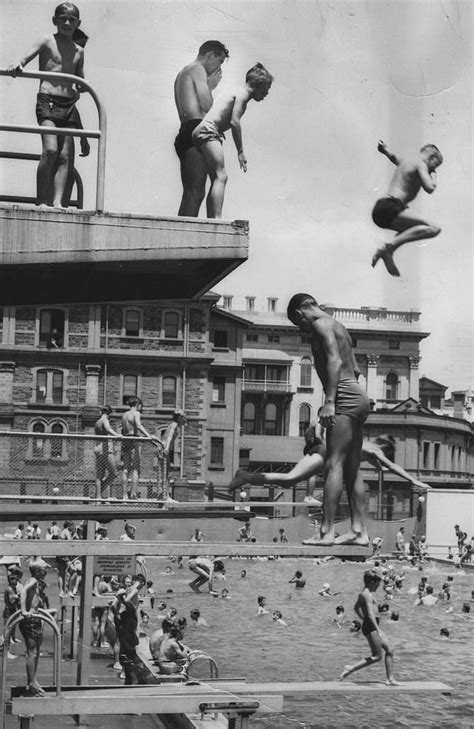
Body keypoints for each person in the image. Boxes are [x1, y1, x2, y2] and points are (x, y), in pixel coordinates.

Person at [287, 294, 370, 546]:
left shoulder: (319, 325)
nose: (302, 328)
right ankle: (358, 531)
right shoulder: (339, 325)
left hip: (343, 397)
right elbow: (354, 369)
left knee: (333, 464)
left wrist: (330, 401)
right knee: (352, 467)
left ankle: (326, 532)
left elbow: (334, 360)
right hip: (358, 395)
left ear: (301, 312)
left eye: (298, 323)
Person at [8, 3, 86, 208]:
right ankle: (41, 200)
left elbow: (80, 79)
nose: (67, 23)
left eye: (72, 19)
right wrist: (19, 63)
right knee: (50, 150)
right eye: (63, 18)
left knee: (64, 156)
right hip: (48, 100)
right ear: (55, 20)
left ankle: (58, 202)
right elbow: (25, 57)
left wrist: (83, 87)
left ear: (78, 23)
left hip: (68, 104)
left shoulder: (79, 50)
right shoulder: (47, 40)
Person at [229, 431, 428, 497]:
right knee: (289, 478)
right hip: (323, 455)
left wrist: (383, 468)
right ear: (384, 449)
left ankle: (246, 477)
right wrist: (413, 480)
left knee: (288, 482)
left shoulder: (368, 447)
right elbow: (392, 467)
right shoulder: (375, 450)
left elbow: (383, 467)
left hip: (324, 456)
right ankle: (244, 476)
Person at [192, 63, 274, 218]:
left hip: (201, 130)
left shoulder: (233, 90)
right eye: (267, 89)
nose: (266, 94)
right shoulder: (242, 95)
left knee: (215, 177)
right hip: (209, 131)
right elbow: (234, 121)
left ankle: (212, 220)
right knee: (221, 176)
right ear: (259, 85)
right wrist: (240, 152)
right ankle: (216, 219)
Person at [371, 140, 443, 277]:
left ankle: (389, 252)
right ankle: (388, 248)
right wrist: (434, 177)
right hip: (391, 206)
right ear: (431, 158)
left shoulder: (406, 161)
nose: (434, 169)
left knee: (413, 230)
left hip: (380, 210)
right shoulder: (421, 163)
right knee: (434, 228)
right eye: (435, 165)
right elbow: (429, 188)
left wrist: (385, 150)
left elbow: (393, 157)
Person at [174, 41, 229, 217]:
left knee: (192, 191)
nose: (218, 67)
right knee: (195, 192)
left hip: (185, 130)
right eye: (219, 61)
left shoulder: (182, 72)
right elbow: (207, 106)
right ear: (210, 54)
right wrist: (210, 86)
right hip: (195, 128)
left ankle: (182, 233)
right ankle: (184, 238)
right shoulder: (197, 70)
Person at [340, 570, 398, 685]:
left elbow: (356, 607)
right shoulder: (366, 594)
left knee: (390, 650)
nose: (379, 586)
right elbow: (371, 613)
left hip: (371, 624)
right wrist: (378, 629)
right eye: (377, 583)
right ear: (372, 582)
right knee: (377, 656)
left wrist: (364, 619)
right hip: (372, 626)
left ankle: (390, 679)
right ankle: (351, 668)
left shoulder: (365, 593)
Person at [19, 559, 50, 696]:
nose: (46, 572)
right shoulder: (33, 581)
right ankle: (31, 683)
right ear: (38, 571)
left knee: (36, 652)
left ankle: (33, 680)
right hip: (31, 620)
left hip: (35, 618)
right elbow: (23, 592)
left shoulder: (36, 582)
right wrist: (24, 611)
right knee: (32, 653)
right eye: (44, 570)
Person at [121, 397, 157, 500]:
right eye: (140, 405)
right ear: (137, 404)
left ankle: (124, 496)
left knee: (125, 469)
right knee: (136, 469)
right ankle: (133, 494)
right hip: (133, 440)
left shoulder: (124, 415)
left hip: (125, 440)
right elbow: (139, 426)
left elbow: (124, 430)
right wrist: (148, 436)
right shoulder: (136, 414)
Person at [156, 410, 187, 502]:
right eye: (182, 417)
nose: (184, 419)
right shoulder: (174, 424)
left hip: (164, 448)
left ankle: (163, 495)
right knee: (167, 473)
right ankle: (166, 496)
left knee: (166, 473)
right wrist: (167, 448)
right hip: (164, 448)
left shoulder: (174, 424)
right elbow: (169, 436)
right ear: (179, 417)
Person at [94, 405, 119, 499]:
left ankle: (98, 498)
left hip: (98, 448)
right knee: (114, 474)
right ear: (109, 413)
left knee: (99, 475)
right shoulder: (105, 420)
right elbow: (108, 428)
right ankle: (99, 492)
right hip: (105, 449)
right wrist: (117, 435)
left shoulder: (97, 422)